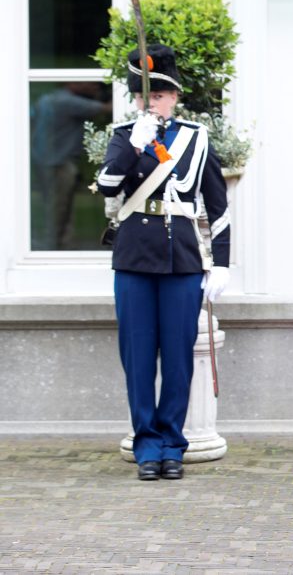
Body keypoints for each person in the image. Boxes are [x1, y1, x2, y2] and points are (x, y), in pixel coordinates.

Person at [96, 44, 231, 481]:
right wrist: (132, 147)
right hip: (134, 259)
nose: (151, 102)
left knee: (177, 357)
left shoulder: (196, 138)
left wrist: (222, 263)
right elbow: (106, 187)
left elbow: (218, 205)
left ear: (174, 96)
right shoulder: (123, 136)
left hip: (182, 261)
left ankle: (172, 442)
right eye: (143, 95)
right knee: (137, 357)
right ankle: (146, 444)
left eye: (158, 95)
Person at [30, 81, 112, 249]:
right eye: (90, 83)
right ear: (72, 82)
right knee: (59, 208)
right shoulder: (67, 102)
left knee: (54, 205)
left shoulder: (48, 99)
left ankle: (59, 245)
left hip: (43, 159)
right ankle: (52, 247)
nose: (95, 86)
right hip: (58, 162)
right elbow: (106, 109)